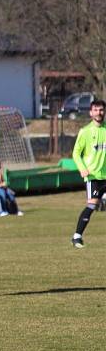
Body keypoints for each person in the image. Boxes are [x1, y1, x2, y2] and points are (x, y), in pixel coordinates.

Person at [71, 99, 106, 248]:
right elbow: (76, 153)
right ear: (91, 112)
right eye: (96, 110)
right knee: (92, 205)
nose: (99, 112)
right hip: (93, 176)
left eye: (102, 110)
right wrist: (82, 168)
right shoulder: (85, 132)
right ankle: (77, 237)